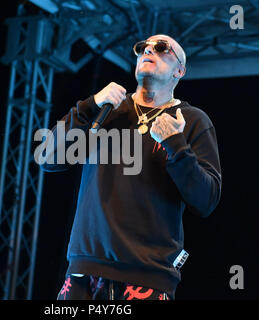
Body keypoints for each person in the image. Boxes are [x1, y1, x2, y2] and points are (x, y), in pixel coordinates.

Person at [41, 34, 222, 300]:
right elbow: (48, 157)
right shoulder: (108, 110)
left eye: (161, 48)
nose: (148, 50)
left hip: (146, 276)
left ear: (179, 71)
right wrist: (90, 106)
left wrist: (177, 145)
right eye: (142, 48)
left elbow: (206, 200)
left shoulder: (191, 120)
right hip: (83, 273)